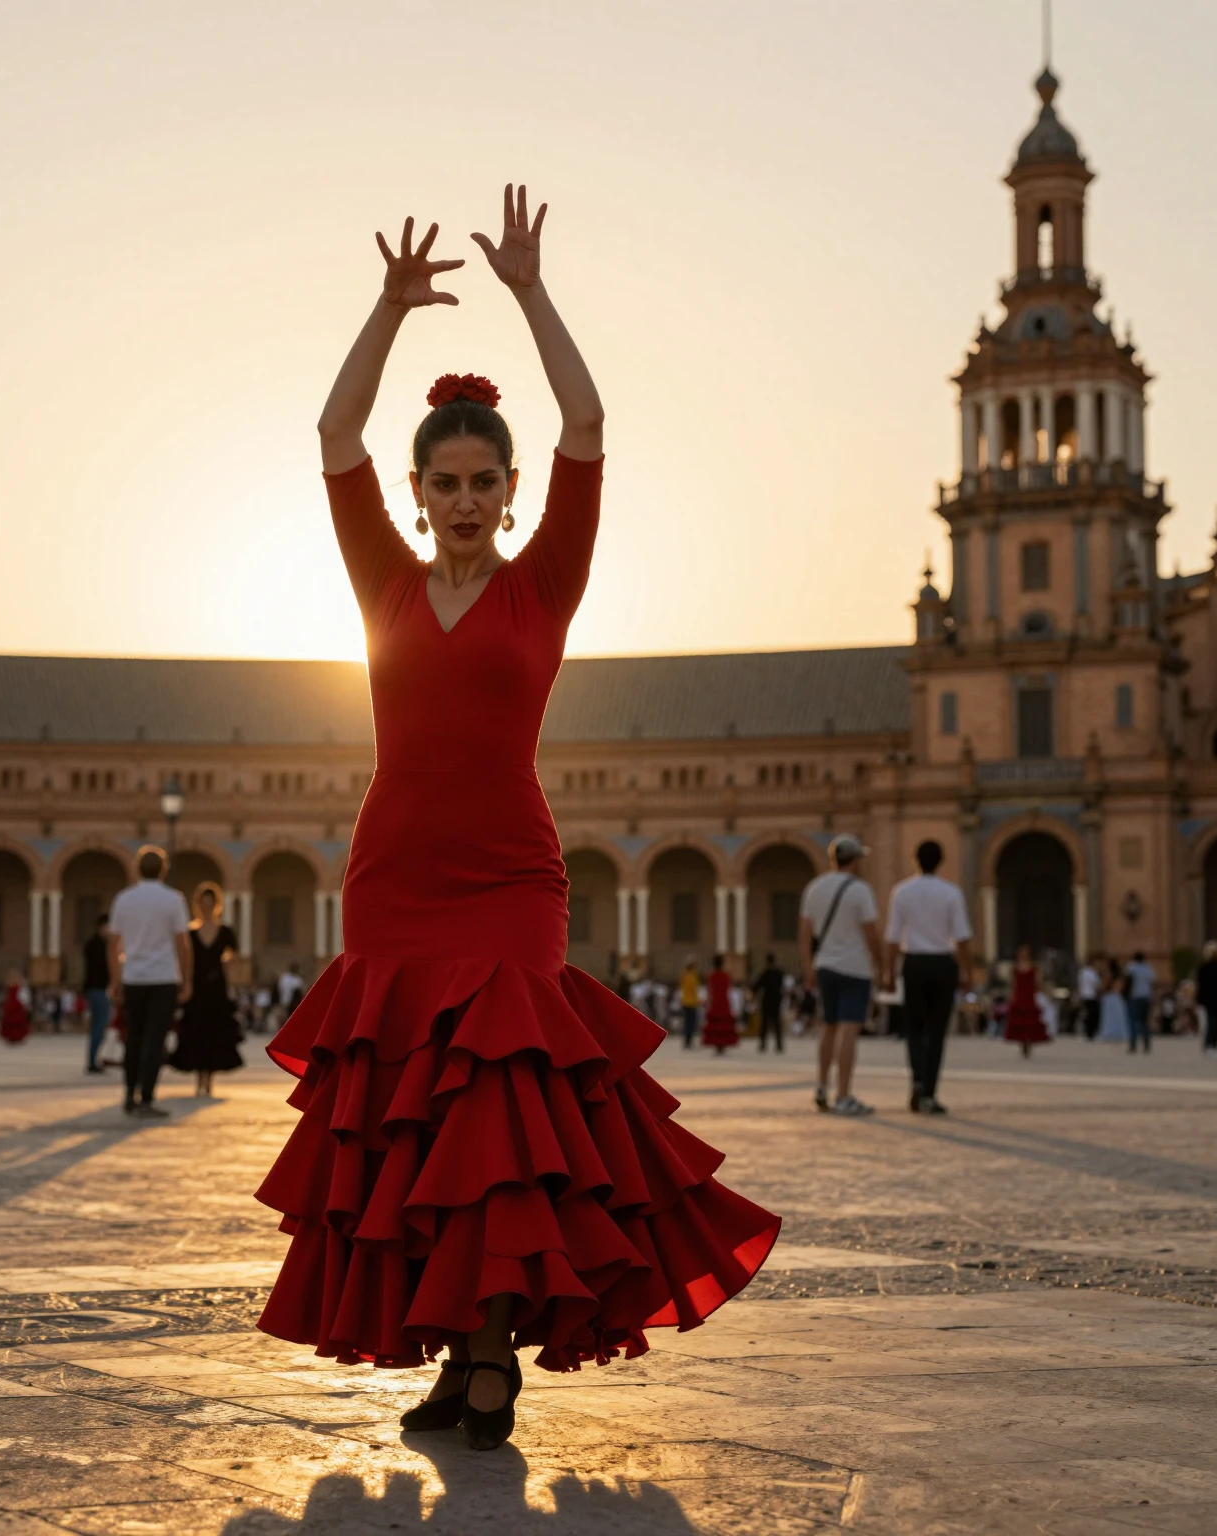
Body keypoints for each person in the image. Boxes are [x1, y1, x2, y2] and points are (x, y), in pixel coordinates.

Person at [254, 187, 779, 1454]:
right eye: (450, 480)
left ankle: (490, 1361)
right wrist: (387, 308)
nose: (472, 496)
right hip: (392, 878)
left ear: (509, 489)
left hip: (508, 880)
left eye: (491, 479)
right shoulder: (381, 575)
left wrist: (532, 291)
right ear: (421, 491)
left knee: (503, 1116)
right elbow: (331, 431)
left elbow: (590, 422)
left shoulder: (547, 580)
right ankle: (461, 1355)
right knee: (415, 1127)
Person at [883, 839, 972, 1115]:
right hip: (942, 963)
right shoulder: (951, 893)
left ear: (915, 860)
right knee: (936, 1031)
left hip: (914, 962)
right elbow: (962, 937)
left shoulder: (901, 892)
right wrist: (967, 971)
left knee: (914, 1028)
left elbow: (893, 937)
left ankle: (917, 1081)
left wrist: (887, 971)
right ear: (941, 860)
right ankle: (930, 1092)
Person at [107, 846, 192, 1117]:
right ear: (164, 870)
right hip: (163, 977)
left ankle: (128, 1094)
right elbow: (182, 944)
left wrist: (116, 980)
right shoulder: (173, 899)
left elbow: (112, 945)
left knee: (133, 1037)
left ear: (136, 868)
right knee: (156, 1040)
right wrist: (187, 980)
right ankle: (147, 1098)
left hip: (133, 977)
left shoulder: (123, 899)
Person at [800, 834, 882, 1117]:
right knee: (849, 1028)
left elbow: (805, 932)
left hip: (825, 966)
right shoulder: (861, 891)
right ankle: (844, 1094)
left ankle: (821, 1087)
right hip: (854, 967)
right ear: (856, 859)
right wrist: (881, 966)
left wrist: (809, 966)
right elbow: (871, 933)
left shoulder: (815, 888)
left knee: (828, 1026)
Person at [169, 881, 245, 1097]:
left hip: (217, 987)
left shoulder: (225, 931)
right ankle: (198, 1079)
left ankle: (209, 1080)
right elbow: (184, 957)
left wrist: (228, 968)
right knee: (196, 1031)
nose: (206, 906)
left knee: (214, 1033)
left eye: (210, 903)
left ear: (216, 905)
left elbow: (235, 955)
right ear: (198, 905)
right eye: (203, 903)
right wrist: (185, 983)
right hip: (197, 987)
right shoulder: (190, 932)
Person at [1002, 945, 1050, 1057]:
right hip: (1019, 996)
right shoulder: (1014, 968)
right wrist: (1010, 997)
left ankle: (1028, 1041)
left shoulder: (1034, 967)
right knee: (1020, 1020)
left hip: (1029, 996)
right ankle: (1022, 1041)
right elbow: (1012, 984)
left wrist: (1044, 993)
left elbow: (1038, 982)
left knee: (1029, 1020)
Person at [83, 913, 113, 1073]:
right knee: (99, 1027)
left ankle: (93, 1059)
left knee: (98, 1026)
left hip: (95, 989)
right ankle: (92, 1061)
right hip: (98, 990)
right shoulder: (98, 946)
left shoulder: (95, 944)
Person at [702, 955, 739, 1052]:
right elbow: (728, 988)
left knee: (716, 1023)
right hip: (724, 1001)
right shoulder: (726, 975)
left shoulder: (712, 975)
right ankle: (722, 1043)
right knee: (723, 1023)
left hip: (715, 1001)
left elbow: (710, 990)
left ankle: (717, 1043)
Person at [1196, 940, 1217, 1057]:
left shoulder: (1204, 968)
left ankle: (1211, 1045)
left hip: (1211, 999)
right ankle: (1211, 1045)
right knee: (1215, 1022)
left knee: (1214, 1022)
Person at [753, 953, 785, 1053]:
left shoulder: (765, 973)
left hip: (767, 1000)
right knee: (776, 1023)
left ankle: (763, 1044)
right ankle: (779, 1044)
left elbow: (756, 986)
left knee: (765, 1023)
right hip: (776, 1000)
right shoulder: (779, 973)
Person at [1125, 950, 1155, 1054]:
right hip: (1146, 997)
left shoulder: (1131, 967)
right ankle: (1146, 1045)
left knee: (1133, 1021)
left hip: (1135, 996)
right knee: (1145, 1022)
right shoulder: (1148, 968)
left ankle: (1133, 1045)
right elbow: (1152, 983)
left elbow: (1127, 981)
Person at [1098, 958, 1129, 1042]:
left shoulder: (1108, 975)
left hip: (1109, 997)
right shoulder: (1120, 976)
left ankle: (1109, 1033)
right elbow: (1121, 987)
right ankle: (1118, 1034)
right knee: (1118, 1018)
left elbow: (1103, 987)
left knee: (1109, 1018)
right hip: (1117, 997)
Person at [0, 970, 31, 1044]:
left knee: (15, 1021)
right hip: (14, 1002)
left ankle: (15, 1037)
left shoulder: (10, 982)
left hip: (13, 1002)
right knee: (13, 1021)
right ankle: (13, 1037)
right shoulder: (18, 982)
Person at [1077, 955, 1103, 1042]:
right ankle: (1091, 1033)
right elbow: (1096, 985)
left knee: (1088, 1015)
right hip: (1091, 996)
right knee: (1093, 1016)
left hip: (1085, 995)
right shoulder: (1092, 973)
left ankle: (1089, 1033)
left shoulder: (1082, 972)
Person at [678, 957, 701, 1048]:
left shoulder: (684, 975)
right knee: (691, 1022)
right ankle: (688, 1040)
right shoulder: (692, 976)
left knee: (687, 1022)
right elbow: (694, 990)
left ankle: (687, 1040)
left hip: (685, 1001)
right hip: (691, 1002)